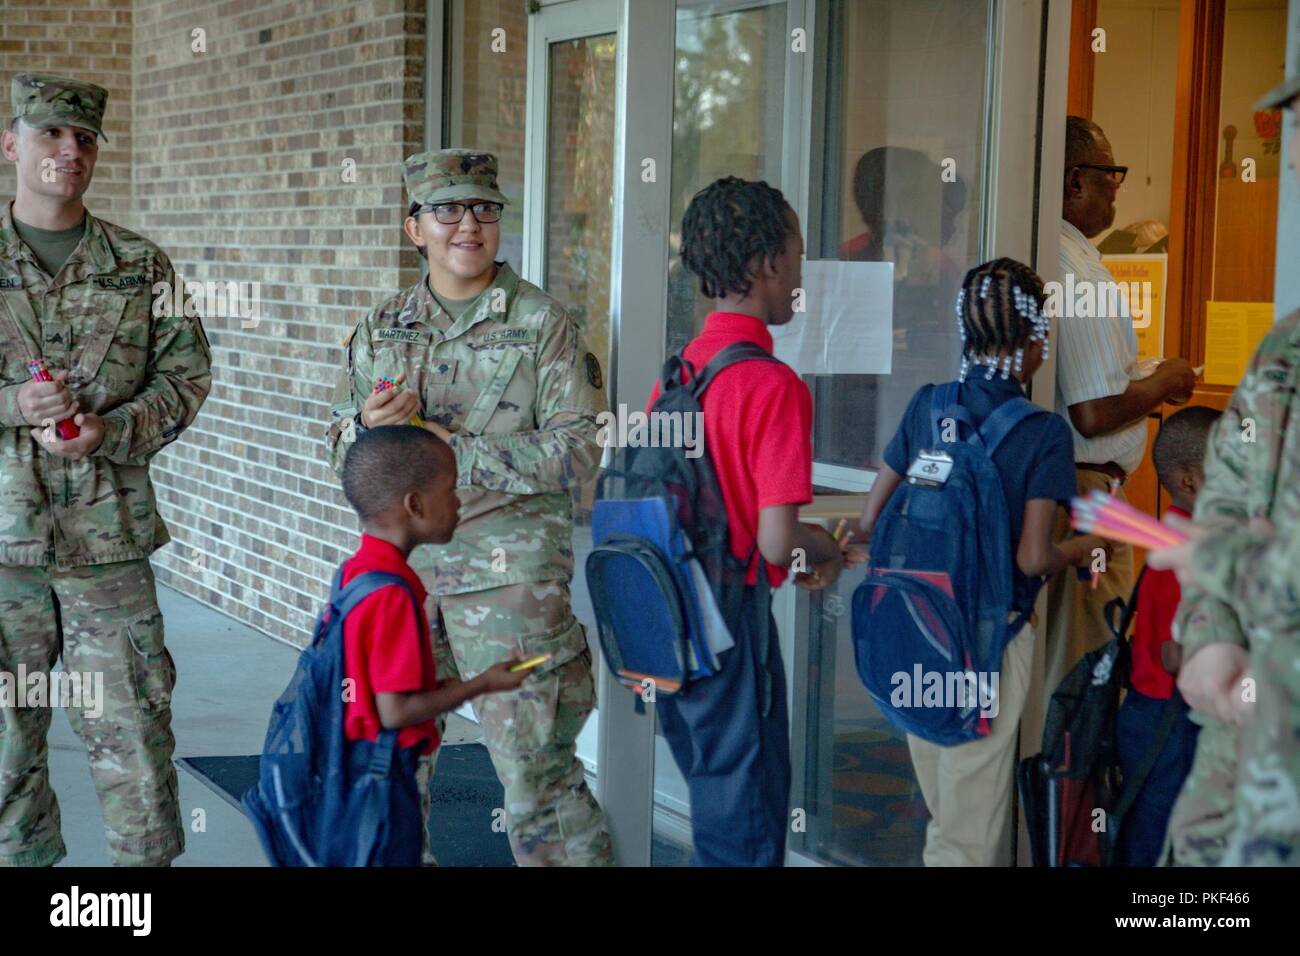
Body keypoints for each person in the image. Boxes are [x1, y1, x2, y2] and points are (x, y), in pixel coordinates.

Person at [326, 149, 612, 866]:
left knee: (536, 779)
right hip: (402, 581)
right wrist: (367, 429)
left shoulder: (544, 325)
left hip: (509, 582)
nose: (468, 224)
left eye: (484, 208)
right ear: (412, 228)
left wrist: (450, 447)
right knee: (386, 767)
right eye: (446, 209)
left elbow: (582, 450)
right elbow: (337, 447)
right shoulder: (381, 326)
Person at [0, 73, 212, 866]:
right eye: (50, 134)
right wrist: (15, 404)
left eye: (83, 138)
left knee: (133, 737)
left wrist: (112, 429)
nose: (69, 150)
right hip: (3, 549)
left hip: (107, 548)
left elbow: (187, 377)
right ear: (12, 144)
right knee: (3, 753)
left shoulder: (138, 265)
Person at [856, 258, 1102, 866]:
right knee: (966, 837)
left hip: (916, 634)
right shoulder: (1043, 434)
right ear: (1031, 339)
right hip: (988, 646)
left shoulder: (926, 407)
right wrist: (1090, 548)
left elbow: (869, 522)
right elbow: (1034, 556)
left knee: (947, 812)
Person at [645, 176, 844, 866]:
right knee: (750, 830)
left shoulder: (679, 374)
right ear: (765, 264)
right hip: (734, 635)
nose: (798, 274)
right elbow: (776, 540)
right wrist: (826, 549)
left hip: (673, 630)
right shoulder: (772, 384)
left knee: (718, 815)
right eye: (794, 256)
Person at [1146, 73, 1300, 868]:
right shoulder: (1286, 348)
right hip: (1240, 766)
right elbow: (1227, 501)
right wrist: (1208, 639)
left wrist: (1236, 565)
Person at [1044, 116, 1198, 698]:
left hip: (1088, 488)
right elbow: (1091, 411)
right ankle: (1076, 788)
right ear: (1076, 180)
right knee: (1092, 663)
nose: (1118, 189)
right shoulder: (1074, 269)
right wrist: (1165, 382)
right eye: (1112, 175)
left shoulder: (1070, 258)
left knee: (1083, 651)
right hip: (1090, 495)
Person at [333, 426, 530, 865]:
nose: (460, 501)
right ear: (415, 505)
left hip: (353, 769)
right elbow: (395, 710)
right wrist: (482, 683)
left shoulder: (355, 572)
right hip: (385, 781)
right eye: (450, 489)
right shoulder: (395, 593)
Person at [1114, 406, 1219, 867]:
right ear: (1190, 481)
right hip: (1167, 721)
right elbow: (1173, 653)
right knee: (1159, 841)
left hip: (1166, 714)